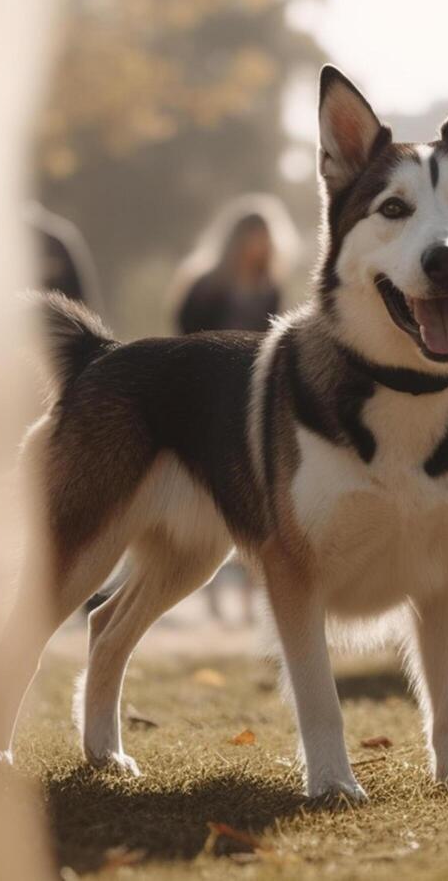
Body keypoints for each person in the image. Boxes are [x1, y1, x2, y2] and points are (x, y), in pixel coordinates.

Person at [169, 193, 298, 623]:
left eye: (264, 237)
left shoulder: (270, 287)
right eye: (252, 236)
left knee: (254, 500)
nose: (258, 245)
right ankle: (200, 589)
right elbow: (183, 338)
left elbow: (271, 340)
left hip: (249, 399)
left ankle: (249, 600)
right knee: (206, 495)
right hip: (205, 396)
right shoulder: (206, 285)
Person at [173, 193, 298, 336]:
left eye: (265, 237)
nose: (261, 244)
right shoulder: (206, 286)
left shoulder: (270, 291)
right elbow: (186, 329)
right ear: (238, 238)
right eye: (255, 235)